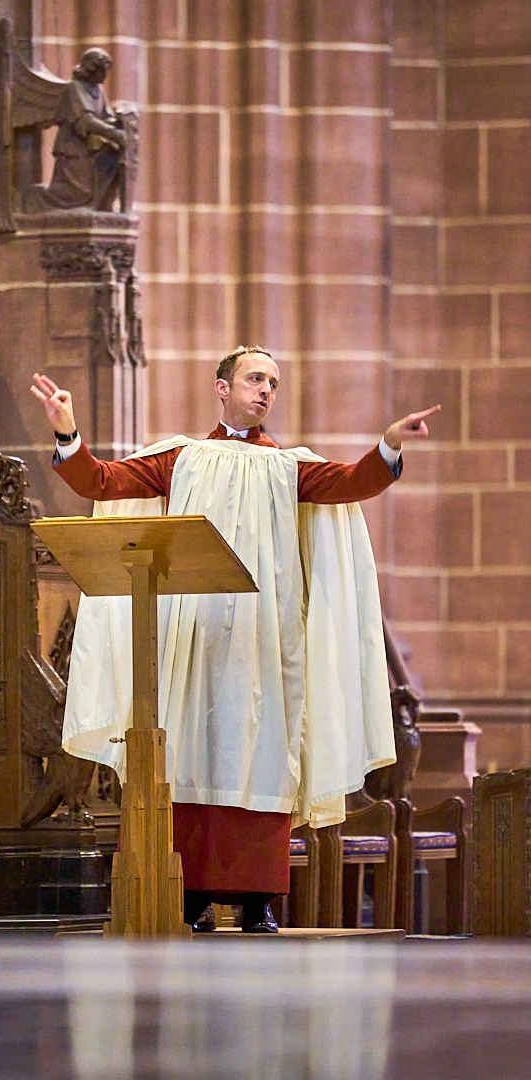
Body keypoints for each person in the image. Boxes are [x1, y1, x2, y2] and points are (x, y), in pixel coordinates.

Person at [31, 348, 440, 932]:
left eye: (273, 382)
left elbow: (354, 482)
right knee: (191, 753)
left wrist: (390, 444)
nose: (266, 390)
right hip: (188, 637)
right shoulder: (181, 458)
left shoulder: (289, 467)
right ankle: (191, 895)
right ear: (221, 388)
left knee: (262, 758)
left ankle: (257, 900)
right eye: (254, 378)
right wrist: (67, 430)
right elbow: (102, 480)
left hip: (263, 643)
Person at [43, 47, 126, 212]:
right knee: (79, 192)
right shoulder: (74, 88)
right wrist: (115, 134)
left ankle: (103, 204)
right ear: (91, 69)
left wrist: (120, 122)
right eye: (102, 71)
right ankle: (38, 199)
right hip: (73, 149)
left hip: (90, 147)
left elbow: (104, 117)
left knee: (113, 158)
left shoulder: (98, 90)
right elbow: (85, 120)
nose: (105, 76)